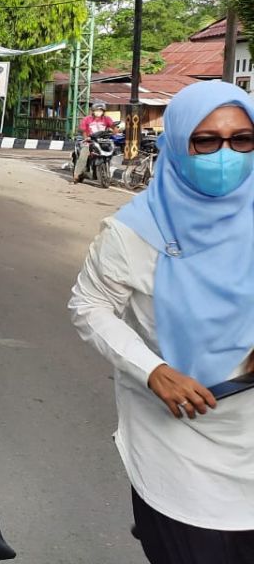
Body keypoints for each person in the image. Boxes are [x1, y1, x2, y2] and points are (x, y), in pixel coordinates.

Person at [68, 81, 254, 564]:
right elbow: (89, 305)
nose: (224, 153)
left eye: (241, 140)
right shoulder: (134, 232)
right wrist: (152, 370)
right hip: (179, 444)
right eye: (205, 140)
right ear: (176, 144)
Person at [75, 101, 116, 182]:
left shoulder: (107, 119)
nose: (99, 112)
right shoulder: (87, 119)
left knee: (113, 150)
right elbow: (83, 131)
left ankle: (106, 168)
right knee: (84, 154)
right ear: (93, 111)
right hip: (90, 141)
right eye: (97, 111)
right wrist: (86, 138)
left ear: (103, 112)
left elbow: (113, 127)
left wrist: (115, 132)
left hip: (102, 141)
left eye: (100, 111)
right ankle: (76, 175)